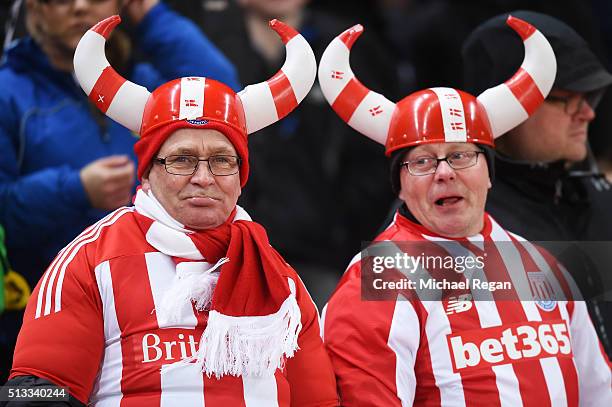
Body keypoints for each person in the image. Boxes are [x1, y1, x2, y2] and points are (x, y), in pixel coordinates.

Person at [3, 15, 338, 407]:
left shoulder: (278, 276)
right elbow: (35, 392)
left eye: (221, 160)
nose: (203, 177)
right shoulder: (88, 260)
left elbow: (319, 401)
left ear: (241, 173)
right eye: (181, 160)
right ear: (147, 170)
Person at [319, 17, 611, 405]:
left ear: (489, 173)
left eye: (461, 155)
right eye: (422, 161)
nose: (444, 173)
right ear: (400, 184)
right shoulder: (376, 281)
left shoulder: (542, 262)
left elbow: (599, 390)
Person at [0, 0, 240, 382]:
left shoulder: (143, 84)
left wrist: (150, 13)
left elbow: (225, 95)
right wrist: (75, 190)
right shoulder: (8, 90)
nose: (80, 6)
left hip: (149, 305)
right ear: (35, 8)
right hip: (35, 308)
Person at [166, 0, 398, 307]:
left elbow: (378, 151)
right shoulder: (203, 42)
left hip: (327, 255)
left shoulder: (347, 48)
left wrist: (342, 229)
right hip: (223, 254)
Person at [462, 10, 612, 357]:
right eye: (567, 99)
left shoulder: (595, 199)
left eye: (591, 97)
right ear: (505, 107)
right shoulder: (447, 223)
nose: (587, 113)